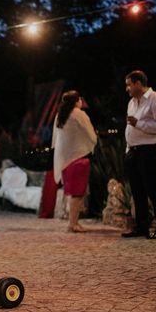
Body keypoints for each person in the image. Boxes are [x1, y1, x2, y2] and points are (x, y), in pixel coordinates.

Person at [121, 70, 156, 240]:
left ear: (138, 83)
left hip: (149, 150)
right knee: (137, 191)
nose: (127, 88)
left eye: (129, 84)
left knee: (153, 190)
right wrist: (128, 149)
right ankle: (141, 227)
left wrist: (139, 124)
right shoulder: (132, 103)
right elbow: (130, 127)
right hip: (133, 151)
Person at [52, 90, 97, 232]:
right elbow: (91, 135)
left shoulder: (61, 116)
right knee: (78, 193)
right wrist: (92, 143)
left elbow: (55, 140)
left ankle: (73, 223)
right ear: (77, 100)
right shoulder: (79, 114)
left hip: (65, 160)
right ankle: (73, 224)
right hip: (78, 158)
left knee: (74, 193)